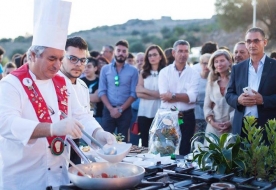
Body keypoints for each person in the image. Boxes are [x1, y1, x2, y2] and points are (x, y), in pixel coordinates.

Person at [0, 0, 115, 189]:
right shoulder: (10, 84)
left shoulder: (61, 82)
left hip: (58, 177)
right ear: (33, 56)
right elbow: (5, 123)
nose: (57, 65)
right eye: (51, 58)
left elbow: (80, 115)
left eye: (60, 59)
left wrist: (99, 133)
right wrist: (52, 129)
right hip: (23, 179)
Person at [225, 27, 276, 142]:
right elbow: (229, 95)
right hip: (242, 127)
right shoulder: (237, 68)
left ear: (265, 42)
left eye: (256, 41)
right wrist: (238, 100)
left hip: (268, 127)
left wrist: (263, 100)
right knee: (242, 159)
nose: (252, 44)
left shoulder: (274, 66)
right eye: (249, 41)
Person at [158, 40, 200, 155]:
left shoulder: (194, 74)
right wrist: (184, 96)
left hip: (187, 117)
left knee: (185, 151)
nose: (183, 54)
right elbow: (164, 96)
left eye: (186, 51)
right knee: (167, 150)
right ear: (173, 53)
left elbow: (193, 97)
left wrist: (172, 95)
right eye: (180, 51)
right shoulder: (164, 72)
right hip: (168, 116)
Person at [58, 36, 91, 165]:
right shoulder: (51, 83)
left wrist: (99, 135)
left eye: (83, 60)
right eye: (73, 59)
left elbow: (84, 116)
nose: (78, 64)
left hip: (76, 144)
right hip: (56, 146)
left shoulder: (83, 86)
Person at [98, 40, 138, 142]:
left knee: (123, 141)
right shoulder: (105, 69)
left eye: (124, 51)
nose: (121, 53)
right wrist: (111, 109)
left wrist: (120, 109)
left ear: (127, 53)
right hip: (108, 110)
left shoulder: (133, 71)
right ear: (114, 52)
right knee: (105, 141)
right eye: (118, 50)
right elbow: (102, 91)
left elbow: (133, 94)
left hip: (125, 111)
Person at [136, 45, 167, 147]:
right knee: (145, 142)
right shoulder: (143, 72)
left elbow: (163, 94)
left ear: (160, 56)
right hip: (144, 112)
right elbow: (138, 92)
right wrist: (156, 95)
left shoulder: (165, 73)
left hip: (160, 112)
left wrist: (145, 90)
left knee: (160, 143)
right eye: (149, 55)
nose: (152, 57)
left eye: (154, 55)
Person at [204, 50, 234, 143]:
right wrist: (212, 122)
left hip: (231, 128)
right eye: (216, 62)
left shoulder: (235, 79)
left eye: (222, 60)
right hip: (212, 128)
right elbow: (206, 106)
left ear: (229, 61)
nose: (219, 64)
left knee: (230, 156)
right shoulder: (211, 82)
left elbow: (239, 106)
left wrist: (230, 122)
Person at [80, 57, 104, 125]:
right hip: (83, 116)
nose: (86, 69)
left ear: (95, 68)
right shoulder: (79, 81)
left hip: (97, 117)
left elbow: (96, 98)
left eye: (89, 67)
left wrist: (81, 95)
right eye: (85, 67)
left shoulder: (100, 81)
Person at [194, 53, 211, 143]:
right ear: (200, 64)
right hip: (195, 116)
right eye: (204, 63)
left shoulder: (214, 79)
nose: (206, 66)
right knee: (196, 142)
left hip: (209, 117)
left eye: (209, 63)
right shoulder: (194, 78)